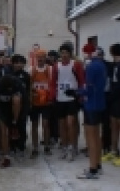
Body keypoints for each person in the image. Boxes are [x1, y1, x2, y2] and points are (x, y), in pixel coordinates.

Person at [73, 48, 107, 179]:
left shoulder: (92, 67)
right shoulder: (102, 65)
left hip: (91, 104)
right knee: (97, 136)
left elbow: (89, 88)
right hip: (100, 103)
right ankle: (97, 165)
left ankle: (92, 169)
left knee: (91, 137)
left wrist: (77, 92)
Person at [51, 43, 84, 162]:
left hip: (72, 98)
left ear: (70, 54)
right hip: (60, 98)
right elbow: (53, 82)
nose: (64, 55)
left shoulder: (76, 64)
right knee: (62, 125)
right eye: (62, 52)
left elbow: (81, 80)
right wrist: (53, 96)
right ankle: (64, 147)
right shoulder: (56, 66)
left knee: (71, 123)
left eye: (66, 53)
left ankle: (72, 147)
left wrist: (79, 94)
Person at [0, 75, 22, 168]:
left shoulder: (17, 84)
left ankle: (14, 124)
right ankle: (6, 155)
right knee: (4, 131)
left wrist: (16, 120)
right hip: (2, 109)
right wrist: (1, 118)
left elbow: (24, 101)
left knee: (17, 99)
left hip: (14, 110)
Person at [29, 49, 53, 158]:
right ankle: (35, 147)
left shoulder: (50, 69)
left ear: (45, 57)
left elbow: (52, 84)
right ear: (35, 58)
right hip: (34, 102)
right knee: (34, 125)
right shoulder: (31, 70)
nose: (40, 58)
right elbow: (29, 85)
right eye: (38, 57)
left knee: (46, 124)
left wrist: (51, 97)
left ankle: (47, 146)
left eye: (42, 56)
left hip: (46, 102)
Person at [102, 43, 120, 166]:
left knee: (117, 124)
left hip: (117, 98)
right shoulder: (113, 65)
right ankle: (113, 151)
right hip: (113, 99)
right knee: (113, 124)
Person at [10, 54, 30, 158]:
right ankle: (12, 146)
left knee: (22, 125)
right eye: (16, 62)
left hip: (23, 105)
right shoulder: (9, 75)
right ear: (12, 64)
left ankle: (21, 146)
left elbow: (28, 91)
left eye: (20, 62)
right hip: (11, 105)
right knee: (12, 125)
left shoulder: (26, 76)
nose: (18, 65)